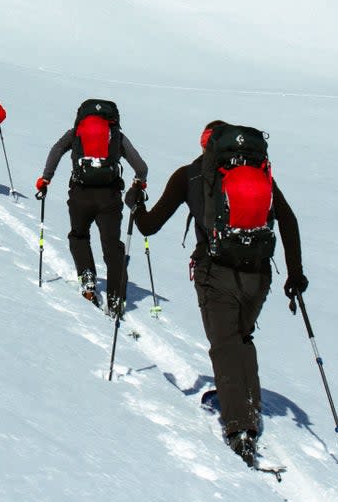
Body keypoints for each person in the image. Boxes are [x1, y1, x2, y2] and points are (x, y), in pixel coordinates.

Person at [128, 120, 307, 466]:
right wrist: (296, 273)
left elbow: (149, 225)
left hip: (216, 273)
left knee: (224, 345)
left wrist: (134, 203)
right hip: (260, 274)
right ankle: (247, 404)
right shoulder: (259, 174)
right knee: (242, 337)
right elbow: (288, 220)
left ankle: (239, 427)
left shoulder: (190, 176)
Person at [35, 99, 148, 318]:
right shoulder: (116, 136)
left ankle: (87, 280)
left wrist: (45, 179)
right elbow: (141, 166)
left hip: (80, 195)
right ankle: (116, 298)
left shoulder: (76, 133)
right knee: (113, 247)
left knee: (79, 236)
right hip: (110, 198)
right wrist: (139, 182)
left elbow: (56, 150)